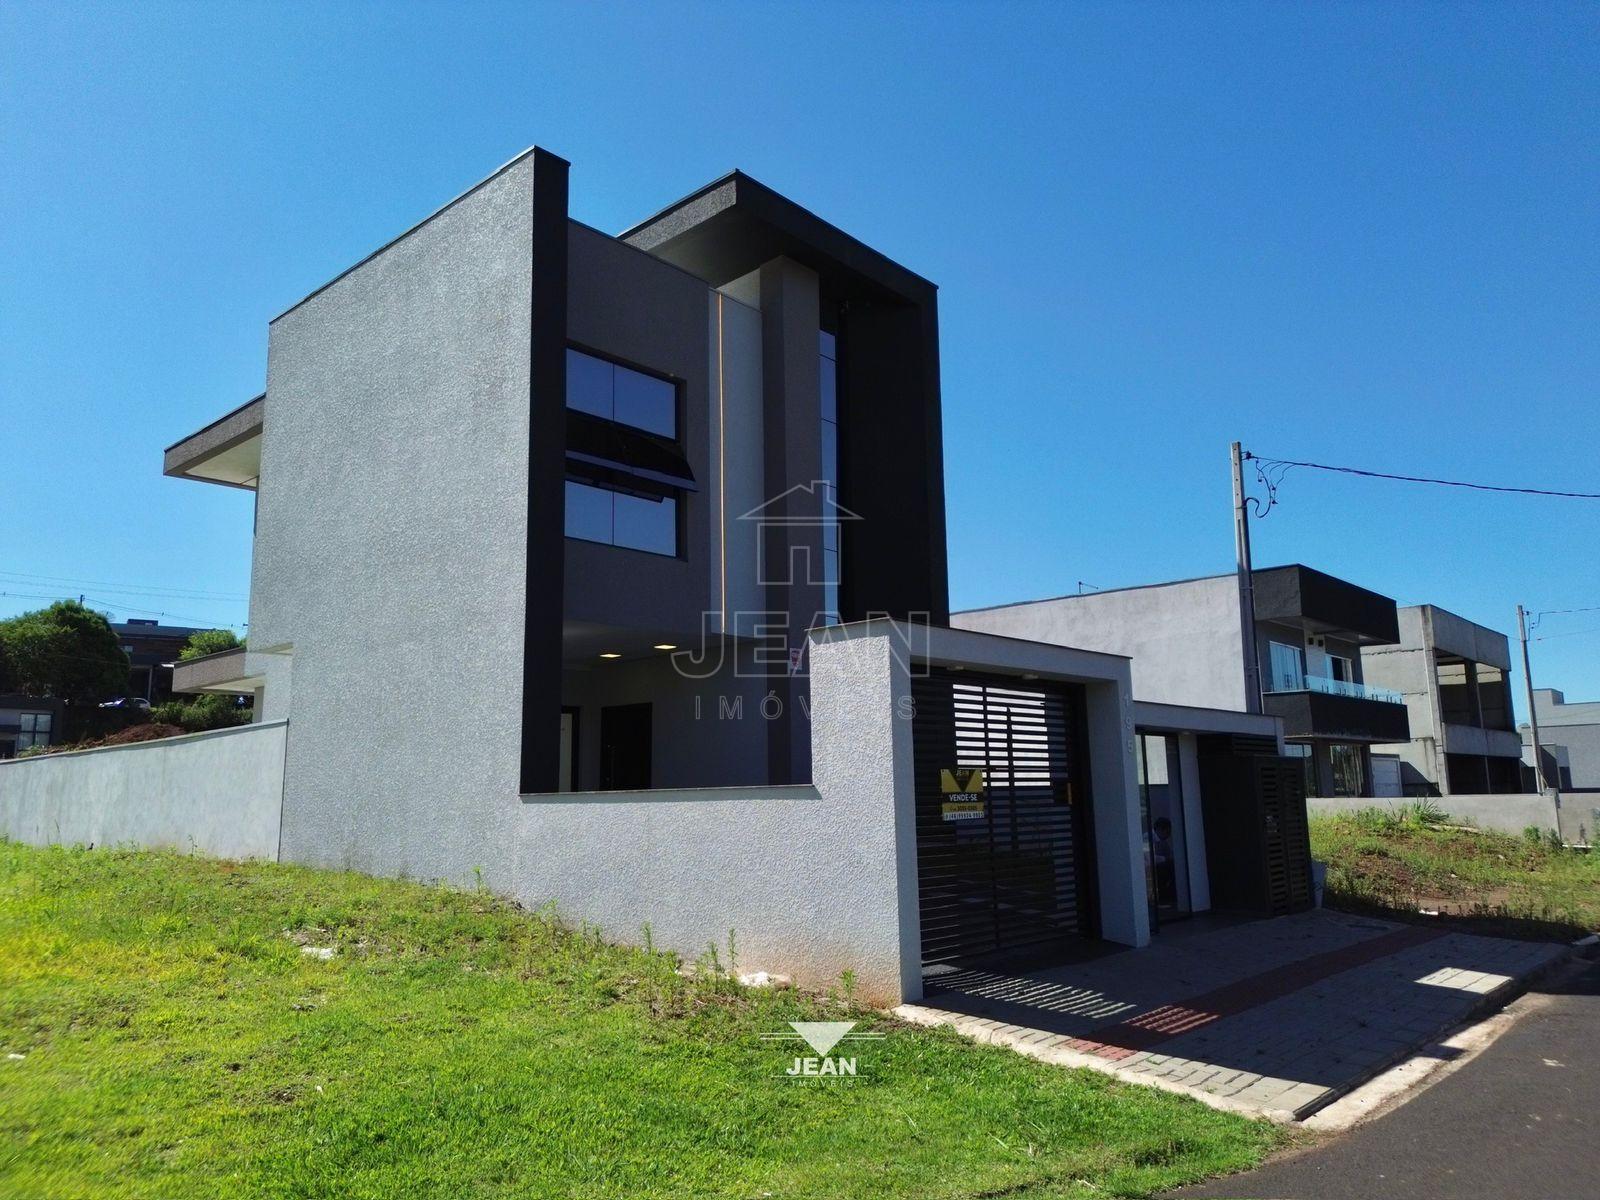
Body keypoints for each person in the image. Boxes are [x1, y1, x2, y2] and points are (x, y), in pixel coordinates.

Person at [1151, 817, 1177, 906]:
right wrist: (1166, 859)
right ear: (1160, 829)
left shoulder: (1163, 841)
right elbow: (1149, 858)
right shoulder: (1149, 838)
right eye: (1167, 832)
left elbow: (1169, 854)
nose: (1168, 835)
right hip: (1153, 869)